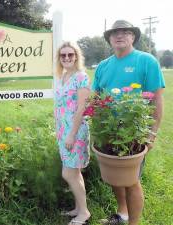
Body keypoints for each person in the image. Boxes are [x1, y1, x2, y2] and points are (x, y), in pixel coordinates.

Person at [93, 20, 165, 225]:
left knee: (131, 181)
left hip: (134, 133)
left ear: (133, 37)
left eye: (125, 32)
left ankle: (134, 223)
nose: (119, 35)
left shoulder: (146, 61)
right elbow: (95, 98)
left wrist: (152, 134)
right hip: (108, 132)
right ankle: (122, 214)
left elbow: (157, 99)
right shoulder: (103, 66)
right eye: (115, 33)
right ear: (109, 39)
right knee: (115, 177)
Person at [54, 41, 91, 225]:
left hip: (75, 131)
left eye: (70, 54)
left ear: (76, 56)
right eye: (63, 55)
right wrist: (59, 130)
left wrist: (71, 134)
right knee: (75, 172)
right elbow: (60, 107)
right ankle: (78, 207)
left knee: (68, 174)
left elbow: (81, 108)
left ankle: (84, 213)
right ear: (59, 58)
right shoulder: (63, 76)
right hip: (64, 130)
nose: (67, 58)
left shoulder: (80, 77)